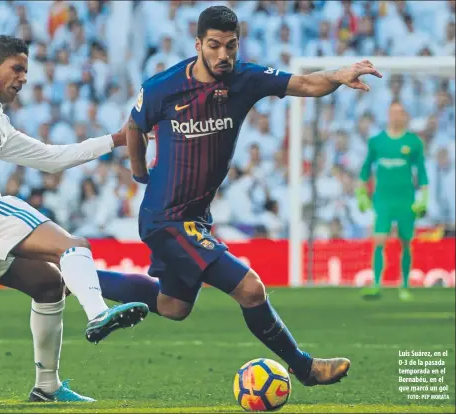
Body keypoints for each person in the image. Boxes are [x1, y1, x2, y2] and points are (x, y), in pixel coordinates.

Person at [89, 5, 383, 387]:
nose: (223, 55)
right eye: (214, 46)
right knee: (251, 289)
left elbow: (307, 84)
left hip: (193, 217)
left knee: (172, 306)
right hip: (166, 218)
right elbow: (133, 126)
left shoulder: (246, 79)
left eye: (231, 46)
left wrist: (340, 75)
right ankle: (305, 367)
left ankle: (72, 278)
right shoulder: (163, 86)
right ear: (198, 44)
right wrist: (139, 172)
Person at [0, 35, 149, 403]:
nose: (23, 77)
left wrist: (114, 140)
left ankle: (47, 387)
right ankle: (97, 313)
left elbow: (52, 158)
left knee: (48, 284)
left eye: (26, 70)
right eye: (17, 68)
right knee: (73, 246)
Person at [356, 101, 428, 301]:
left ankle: (404, 286)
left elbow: (421, 173)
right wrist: (361, 193)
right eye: (393, 112)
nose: (397, 116)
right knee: (379, 240)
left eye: (400, 113)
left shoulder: (413, 142)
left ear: (405, 116)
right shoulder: (377, 141)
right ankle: (376, 284)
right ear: (388, 115)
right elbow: (365, 170)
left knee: (406, 242)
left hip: (406, 200)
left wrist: (424, 198)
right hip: (383, 200)